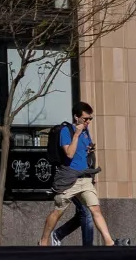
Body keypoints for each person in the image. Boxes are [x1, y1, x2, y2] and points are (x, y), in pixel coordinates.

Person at [41, 102, 118, 248]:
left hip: (84, 179)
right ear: (76, 117)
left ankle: (109, 242)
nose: (88, 122)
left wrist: (89, 150)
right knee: (58, 212)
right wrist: (76, 134)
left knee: (95, 209)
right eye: (85, 119)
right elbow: (69, 153)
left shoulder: (86, 131)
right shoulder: (66, 131)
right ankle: (44, 240)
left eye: (90, 119)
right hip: (69, 179)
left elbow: (81, 151)